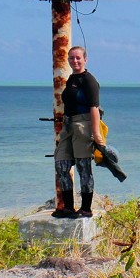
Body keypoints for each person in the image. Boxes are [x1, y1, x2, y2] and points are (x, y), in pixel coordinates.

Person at [52, 45, 103, 219]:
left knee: (83, 167)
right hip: (68, 126)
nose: (75, 61)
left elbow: (94, 107)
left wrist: (97, 135)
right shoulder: (71, 79)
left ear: (85, 59)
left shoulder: (89, 80)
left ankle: (86, 208)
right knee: (61, 164)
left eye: (78, 58)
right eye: (72, 58)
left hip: (83, 125)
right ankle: (68, 207)